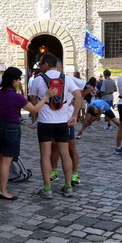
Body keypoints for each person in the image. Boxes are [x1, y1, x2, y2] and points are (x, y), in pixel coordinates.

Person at [0, 67, 57, 200]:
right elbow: (34, 109)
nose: (20, 81)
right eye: (19, 79)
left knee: (0, 156)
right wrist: (46, 96)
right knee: (7, 160)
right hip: (12, 128)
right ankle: (3, 191)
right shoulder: (16, 97)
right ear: (13, 80)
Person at [30, 53, 82, 199]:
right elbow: (78, 96)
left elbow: (33, 102)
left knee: (45, 155)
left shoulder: (38, 80)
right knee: (65, 154)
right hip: (62, 122)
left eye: (41, 64)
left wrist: (35, 118)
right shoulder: (66, 78)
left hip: (45, 122)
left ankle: (47, 189)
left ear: (46, 64)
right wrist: (75, 115)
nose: (40, 67)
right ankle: (68, 186)